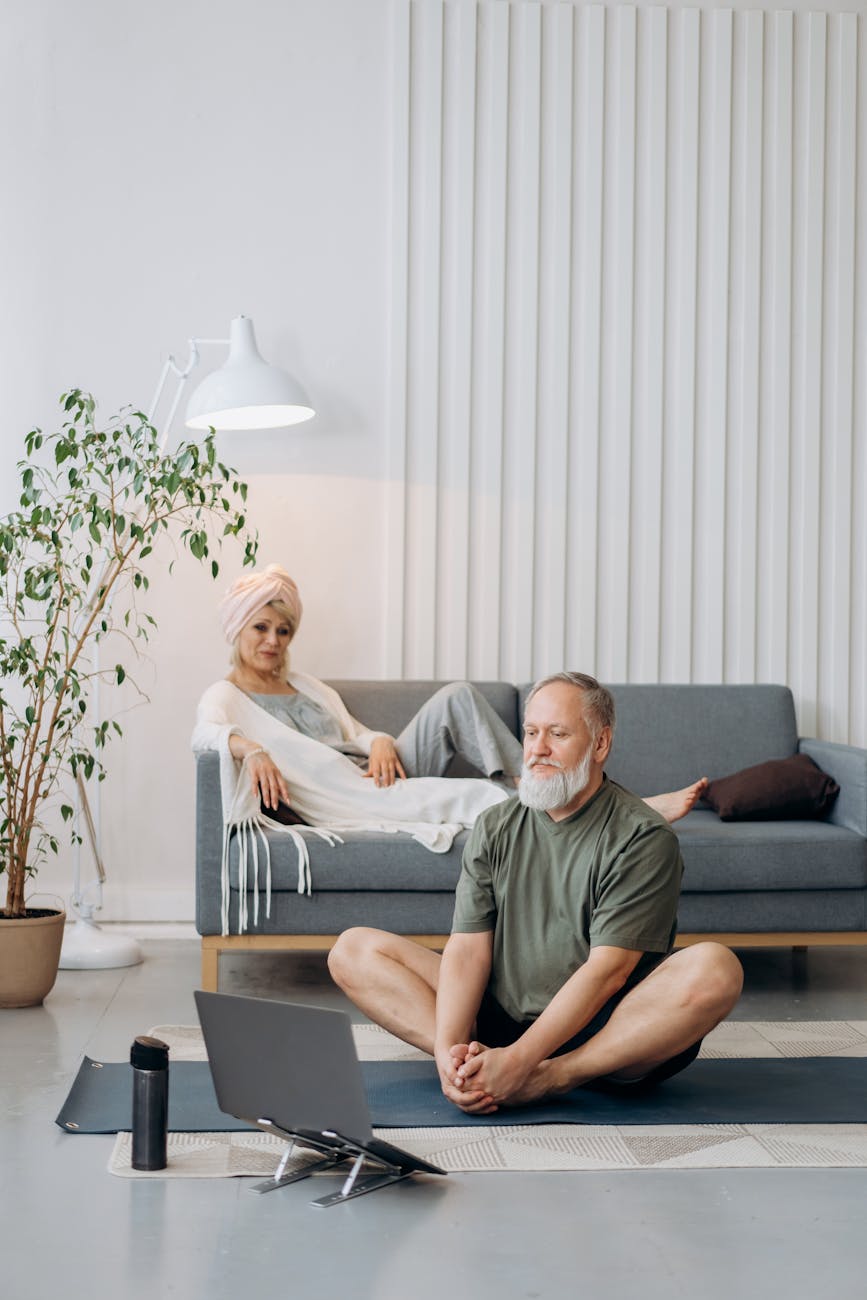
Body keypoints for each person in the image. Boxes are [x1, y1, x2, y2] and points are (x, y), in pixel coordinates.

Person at [328, 671, 743, 1112]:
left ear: (600, 744)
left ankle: (554, 1076)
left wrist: (526, 1064)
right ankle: (474, 1068)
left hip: (604, 1032)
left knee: (716, 969)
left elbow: (609, 972)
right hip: (498, 1020)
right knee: (352, 950)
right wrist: (448, 1052)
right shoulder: (495, 825)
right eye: (531, 733)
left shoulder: (642, 836)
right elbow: (467, 951)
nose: (538, 748)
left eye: (558, 734)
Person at [192, 564, 707, 846]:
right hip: (347, 795)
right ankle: (620, 810)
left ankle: (532, 787)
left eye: (283, 630)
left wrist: (380, 742)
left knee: (458, 695)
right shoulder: (227, 696)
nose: (273, 641)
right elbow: (204, 734)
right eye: (261, 628)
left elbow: (356, 732)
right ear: (237, 630)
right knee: (473, 793)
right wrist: (250, 748)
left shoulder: (306, 685)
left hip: (377, 775)